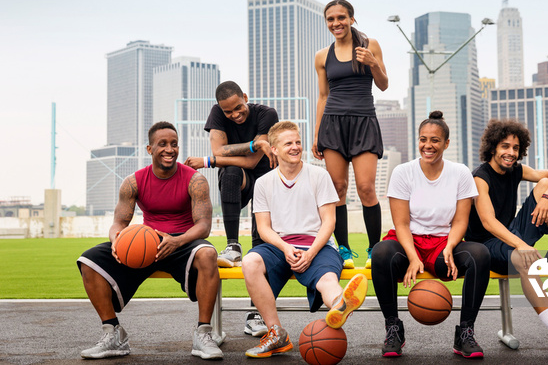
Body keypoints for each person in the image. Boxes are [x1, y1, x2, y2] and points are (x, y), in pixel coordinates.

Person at [77, 122, 223, 360]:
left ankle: (203, 334)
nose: (170, 149)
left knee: (207, 254)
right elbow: (118, 223)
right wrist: (117, 240)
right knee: (88, 260)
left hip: (182, 243)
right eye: (162, 144)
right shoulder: (133, 182)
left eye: (174, 144)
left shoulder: (195, 180)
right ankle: (113, 333)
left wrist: (177, 241)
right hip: (146, 243)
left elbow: (204, 227)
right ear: (149, 149)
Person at [467, 118, 548, 361]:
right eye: (505, 146)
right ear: (493, 147)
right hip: (487, 245)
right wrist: (521, 245)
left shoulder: (516, 170)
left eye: (515, 148)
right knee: (525, 259)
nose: (510, 153)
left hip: (511, 234)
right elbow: (488, 222)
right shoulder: (480, 177)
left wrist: (547, 196)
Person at [241, 121, 368, 359]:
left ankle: (340, 304)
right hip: (280, 246)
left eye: (298, 142)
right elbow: (264, 229)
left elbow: (329, 222)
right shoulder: (263, 183)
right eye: (288, 143)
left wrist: (310, 253)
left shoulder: (319, 175)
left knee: (327, 279)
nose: (295, 147)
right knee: (250, 262)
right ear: (274, 149)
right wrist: (285, 247)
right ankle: (276, 333)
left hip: (317, 244)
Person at [371, 111, 491, 359]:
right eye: (423, 139)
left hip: (442, 245)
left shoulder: (460, 173)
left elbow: (460, 221)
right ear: (418, 141)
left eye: (435, 140)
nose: (428, 145)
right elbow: (401, 224)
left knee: (480, 254)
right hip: (408, 242)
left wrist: (450, 246)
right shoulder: (403, 172)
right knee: (381, 252)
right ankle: (393, 328)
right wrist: (414, 258)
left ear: (446, 143)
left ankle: (465, 333)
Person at [185, 80, 278, 337]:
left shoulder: (266, 115)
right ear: (220, 109)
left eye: (239, 108)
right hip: (238, 184)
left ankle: (256, 315)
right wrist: (251, 144)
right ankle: (233, 244)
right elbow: (219, 150)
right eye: (228, 112)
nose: (235, 115)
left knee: (262, 251)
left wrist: (208, 161)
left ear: (245, 97)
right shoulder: (217, 112)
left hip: (265, 184)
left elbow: (252, 160)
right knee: (231, 171)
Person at [313, 0, 389, 270]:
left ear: (352, 19)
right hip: (332, 124)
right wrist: (317, 134)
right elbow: (323, 96)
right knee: (338, 189)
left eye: (341, 18)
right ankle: (343, 250)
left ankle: (374, 249)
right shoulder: (322, 56)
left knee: (367, 187)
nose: (336, 23)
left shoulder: (371, 45)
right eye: (331, 19)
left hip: (363, 121)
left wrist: (372, 63)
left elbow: (383, 85)